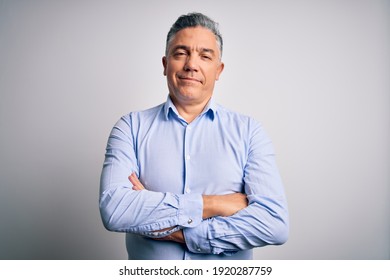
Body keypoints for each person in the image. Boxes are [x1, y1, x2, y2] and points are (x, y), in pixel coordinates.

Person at [99, 12, 289, 260]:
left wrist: (178, 231)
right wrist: (214, 205)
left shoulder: (249, 132)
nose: (191, 64)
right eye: (181, 53)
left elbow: (274, 224)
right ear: (165, 64)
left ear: (218, 70)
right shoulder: (130, 128)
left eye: (205, 56)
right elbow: (115, 210)